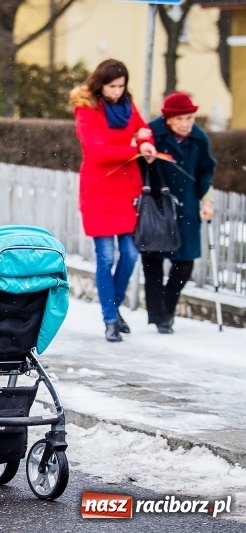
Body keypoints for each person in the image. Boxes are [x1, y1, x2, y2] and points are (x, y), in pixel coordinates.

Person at [70, 59, 157, 343]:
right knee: (106, 257)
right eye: (112, 86)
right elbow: (99, 152)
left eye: (121, 86)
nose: (117, 91)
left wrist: (145, 141)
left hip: (127, 190)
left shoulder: (128, 105)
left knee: (131, 254)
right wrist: (134, 148)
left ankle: (113, 307)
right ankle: (109, 319)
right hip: (99, 190)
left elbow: (143, 129)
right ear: (100, 85)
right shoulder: (87, 109)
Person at [142, 93, 216, 334]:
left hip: (187, 206)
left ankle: (166, 308)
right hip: (157, 205)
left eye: (190, 118)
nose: (186, 124)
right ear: (168, 118)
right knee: (153, 260)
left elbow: (205, 171)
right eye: (180, 119)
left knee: (184, 264)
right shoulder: (152, 133)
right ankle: (159, 317)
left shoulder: (199, 138)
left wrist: (207, 201)